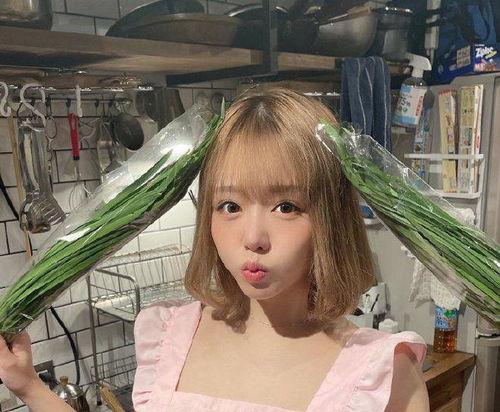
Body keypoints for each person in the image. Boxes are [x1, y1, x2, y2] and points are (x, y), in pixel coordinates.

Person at [0, 88, 429, 412]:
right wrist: (28, 386)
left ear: (331, 220)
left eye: (286, 206)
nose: (253, 237)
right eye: (230, 206)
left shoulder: (382, 374)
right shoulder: (170, 335)